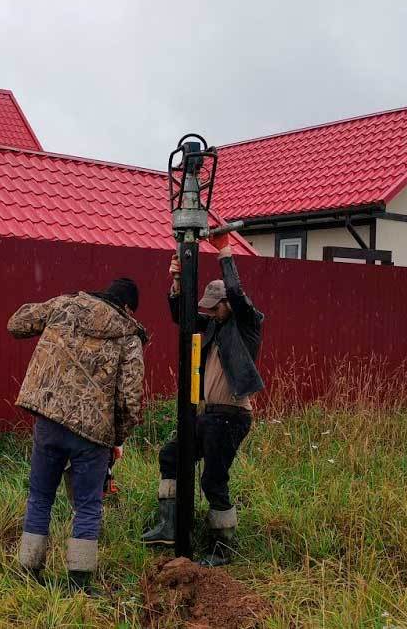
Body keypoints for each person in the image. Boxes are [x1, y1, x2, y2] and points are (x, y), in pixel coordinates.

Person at [9, 278, 146, 592]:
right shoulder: (128, 335)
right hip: (93, 434)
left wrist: (60, 304)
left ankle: (29, 572)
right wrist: (118, 437)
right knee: (87, 506)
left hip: (50, 421)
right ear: (127, 308)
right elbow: (129, 398)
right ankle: (79, 583)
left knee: (40, 498)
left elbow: (17, 323)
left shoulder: (65, 306)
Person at [141, 235, 264, 567]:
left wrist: (225, 251)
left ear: (227, 303)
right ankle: (169, 525)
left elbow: (237, 294)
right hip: (208, 414)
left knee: (213, 478)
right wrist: (177, 279)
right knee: (171, 456)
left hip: (232, 415)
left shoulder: (248, 325)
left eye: (215, 306)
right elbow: (181, 320)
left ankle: (223, 546)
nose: (210, 312)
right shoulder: (213, 326)